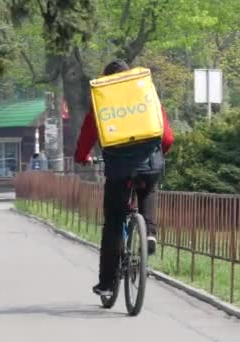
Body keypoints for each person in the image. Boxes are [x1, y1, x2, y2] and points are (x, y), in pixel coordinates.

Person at [74, 59, 174, 296]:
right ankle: (149, 233)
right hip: (149, 164)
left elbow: (88, 135)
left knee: (113, 224)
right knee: (148, 190)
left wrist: (81, 157)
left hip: (119, 170)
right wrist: (159, 154)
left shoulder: (102, 103)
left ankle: (107, 284)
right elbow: (167, 138)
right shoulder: (147, 97)